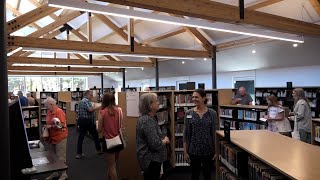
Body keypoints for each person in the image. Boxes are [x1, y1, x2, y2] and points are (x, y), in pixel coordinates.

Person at [183, 89, 218, 180]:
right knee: (195, 175)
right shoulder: (188, 113)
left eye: (196, 97)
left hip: (208, 150)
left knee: (208, 175)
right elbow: (186, 133)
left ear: (203, 98)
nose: (194, 99)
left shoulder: (212, 113)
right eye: (193, 97)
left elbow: (215, 132)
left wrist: (216, 150)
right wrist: (185, 151)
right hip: (193, 150)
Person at [136, 93, 169, 180]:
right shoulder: (147, 120)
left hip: (151, 159)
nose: (158, 103)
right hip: (151, 161)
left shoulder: (148, 118)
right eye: (156, 101)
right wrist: (165, 140)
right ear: (150, 105)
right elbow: (155, 144)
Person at [98, 93, 124, 180]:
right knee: (112, 165)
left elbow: (99, 130)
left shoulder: (102, 112)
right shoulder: (119, 110)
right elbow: (120, 124)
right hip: (119, 141)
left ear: (104, 101)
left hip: (108, 142)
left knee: (111, 166)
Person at [43, 97, 68, 180]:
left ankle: (64, 174)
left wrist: (50, 126)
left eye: (46, 106)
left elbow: (62, 126)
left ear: (51, 104)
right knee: (53, 156)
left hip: (60, 137)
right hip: (52, 137)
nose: (45, 108)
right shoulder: (49, 111)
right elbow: (48, 121)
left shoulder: (59, 112)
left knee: (61, 156)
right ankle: (55, 172)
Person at [76, 90, 102, 159]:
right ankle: (98, 150)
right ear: (87, 95)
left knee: (81, 137)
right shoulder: (86, 101)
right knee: (95, 135)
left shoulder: (81, 101)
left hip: (81, 121)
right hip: (88, 121)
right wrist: (98, 106)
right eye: (91, 95)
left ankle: (79, 153)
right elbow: (90, 110)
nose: (92, 96)